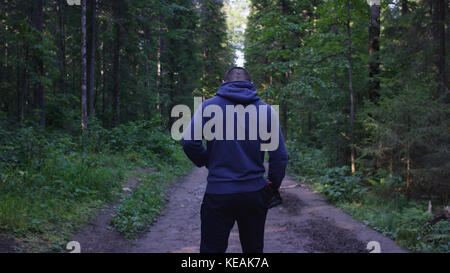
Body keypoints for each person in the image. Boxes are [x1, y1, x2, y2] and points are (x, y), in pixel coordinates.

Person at [181, 67, 288, 253]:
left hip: (218, 192)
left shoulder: (208, 107)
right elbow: (279, 156)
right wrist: (271, 187)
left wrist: (207, 160)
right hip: (254, 192)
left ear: (223, 83)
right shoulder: (266, 110)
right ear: (251, 85)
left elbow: (189, 142)